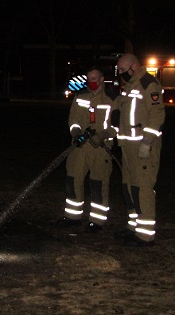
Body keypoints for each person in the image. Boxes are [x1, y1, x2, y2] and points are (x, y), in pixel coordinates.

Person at [112, 53, 165, 246]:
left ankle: (145, 234)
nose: (122, 75)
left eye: (124, 71)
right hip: (127, 148)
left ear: (134, 66)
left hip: (143, 149)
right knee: (129, 187)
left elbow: (157, 114)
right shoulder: (130, 86)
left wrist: (147, 141)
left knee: (142, 189)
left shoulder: (148, 84)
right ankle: (133, 227)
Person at [61, 66, 117, 233]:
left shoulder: (113, 98)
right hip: (80, 146)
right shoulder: (80, 96)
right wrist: (77, 132)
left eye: (94, 79)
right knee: (73, 180)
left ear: (101, 79)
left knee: (98, 184)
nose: (91, 82)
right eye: (89, 79)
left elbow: (119, 125)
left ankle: (97, 221)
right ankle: (73, 217)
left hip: (101, 148)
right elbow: (74, 118)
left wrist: (103, 135)